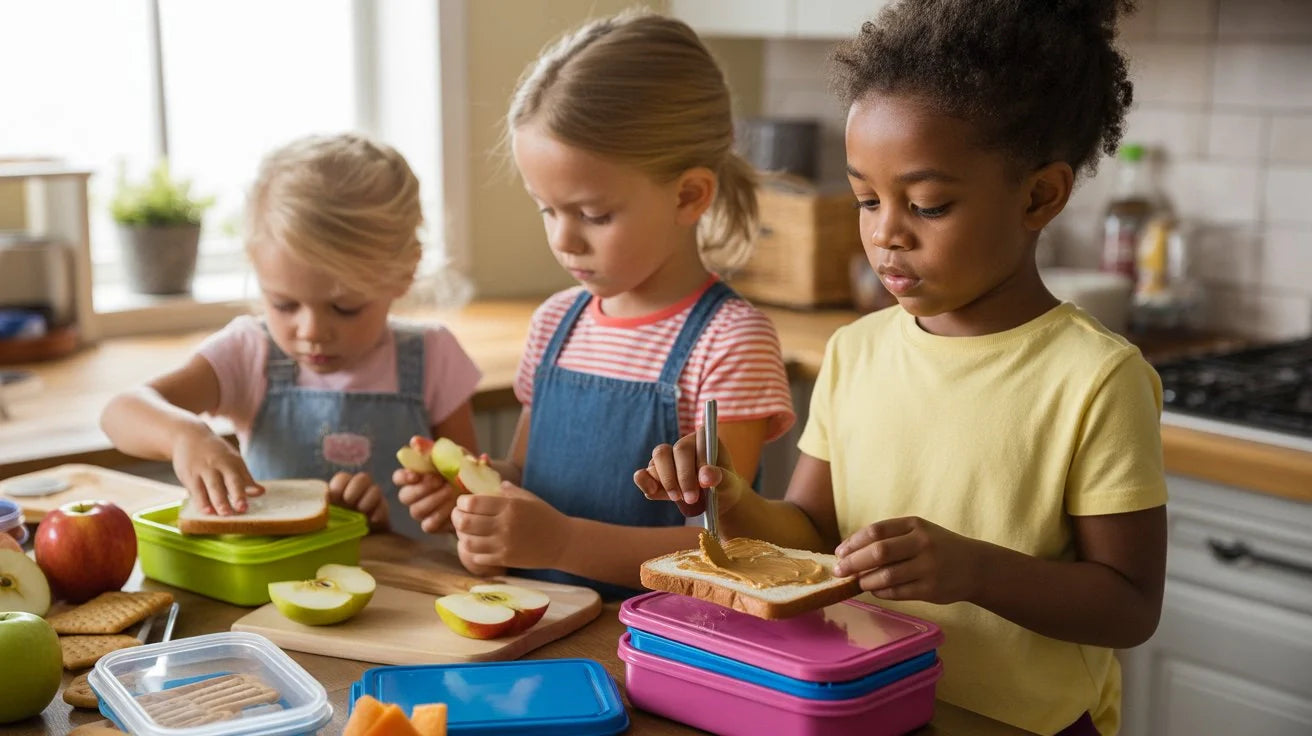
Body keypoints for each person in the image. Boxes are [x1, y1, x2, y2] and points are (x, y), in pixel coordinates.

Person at [636, 1, 1166, 733]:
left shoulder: (1096, 379)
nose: (886, 233)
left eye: (929, 205)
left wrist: (975, 570)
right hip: (872, 706)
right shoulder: (855, 351)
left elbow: (1129, 606)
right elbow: (812, 535)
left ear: (1040, 196)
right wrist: (729, 497)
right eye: (866, 198)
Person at [398, 11, 795, 599]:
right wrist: (471, 496)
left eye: (593, 214)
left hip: (656, 639)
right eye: (547, 209)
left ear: (689, 196)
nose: (564, 239)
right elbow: (524, 477)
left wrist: (561, 543)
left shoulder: (730, 341)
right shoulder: (556, 323)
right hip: (539, 622)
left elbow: (721, 545)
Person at [100, 133, 482, 538]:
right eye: (284, 305)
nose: (312, 332)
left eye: (345, 308)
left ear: (405, 273)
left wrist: (443, 506)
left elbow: (470, 502)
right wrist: (184, 436)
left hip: (406, 578)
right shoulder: (250, 353)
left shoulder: (432, 358)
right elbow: (120, 412)